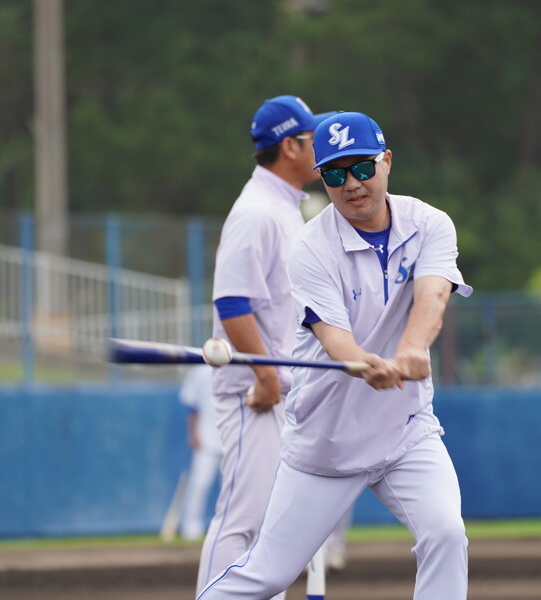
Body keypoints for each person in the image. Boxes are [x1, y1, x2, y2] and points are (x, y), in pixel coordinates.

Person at [197, 111, 472, 600]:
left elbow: (433, 297)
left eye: (362, 168)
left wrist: (410, 351)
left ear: (386, 162)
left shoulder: (430, 223)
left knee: (446, 534)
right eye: (335, 174)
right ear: (322, 178)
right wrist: (366, 364)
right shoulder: (309, 246)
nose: (351, 184)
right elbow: (334, 339)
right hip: (327, 441)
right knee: (267, 575)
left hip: (405, 430)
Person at [195, 95, 335, 599]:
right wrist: (266, 377)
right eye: (312, 137)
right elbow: (232, 304)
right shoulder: (257, 212)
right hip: (256, 390)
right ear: (290, 146)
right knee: (243, 518)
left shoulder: (281, 208)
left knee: (271, 526)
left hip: (276, 387)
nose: (321, 146)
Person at [178, 364, 221, 540]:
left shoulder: (239, 365)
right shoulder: (200, 371)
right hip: (206, 438)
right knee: (200, 483)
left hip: (234, 438)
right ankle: (190, 526)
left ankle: (228, 528)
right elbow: (191, 406)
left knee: (234, 488)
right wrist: (193, 433)